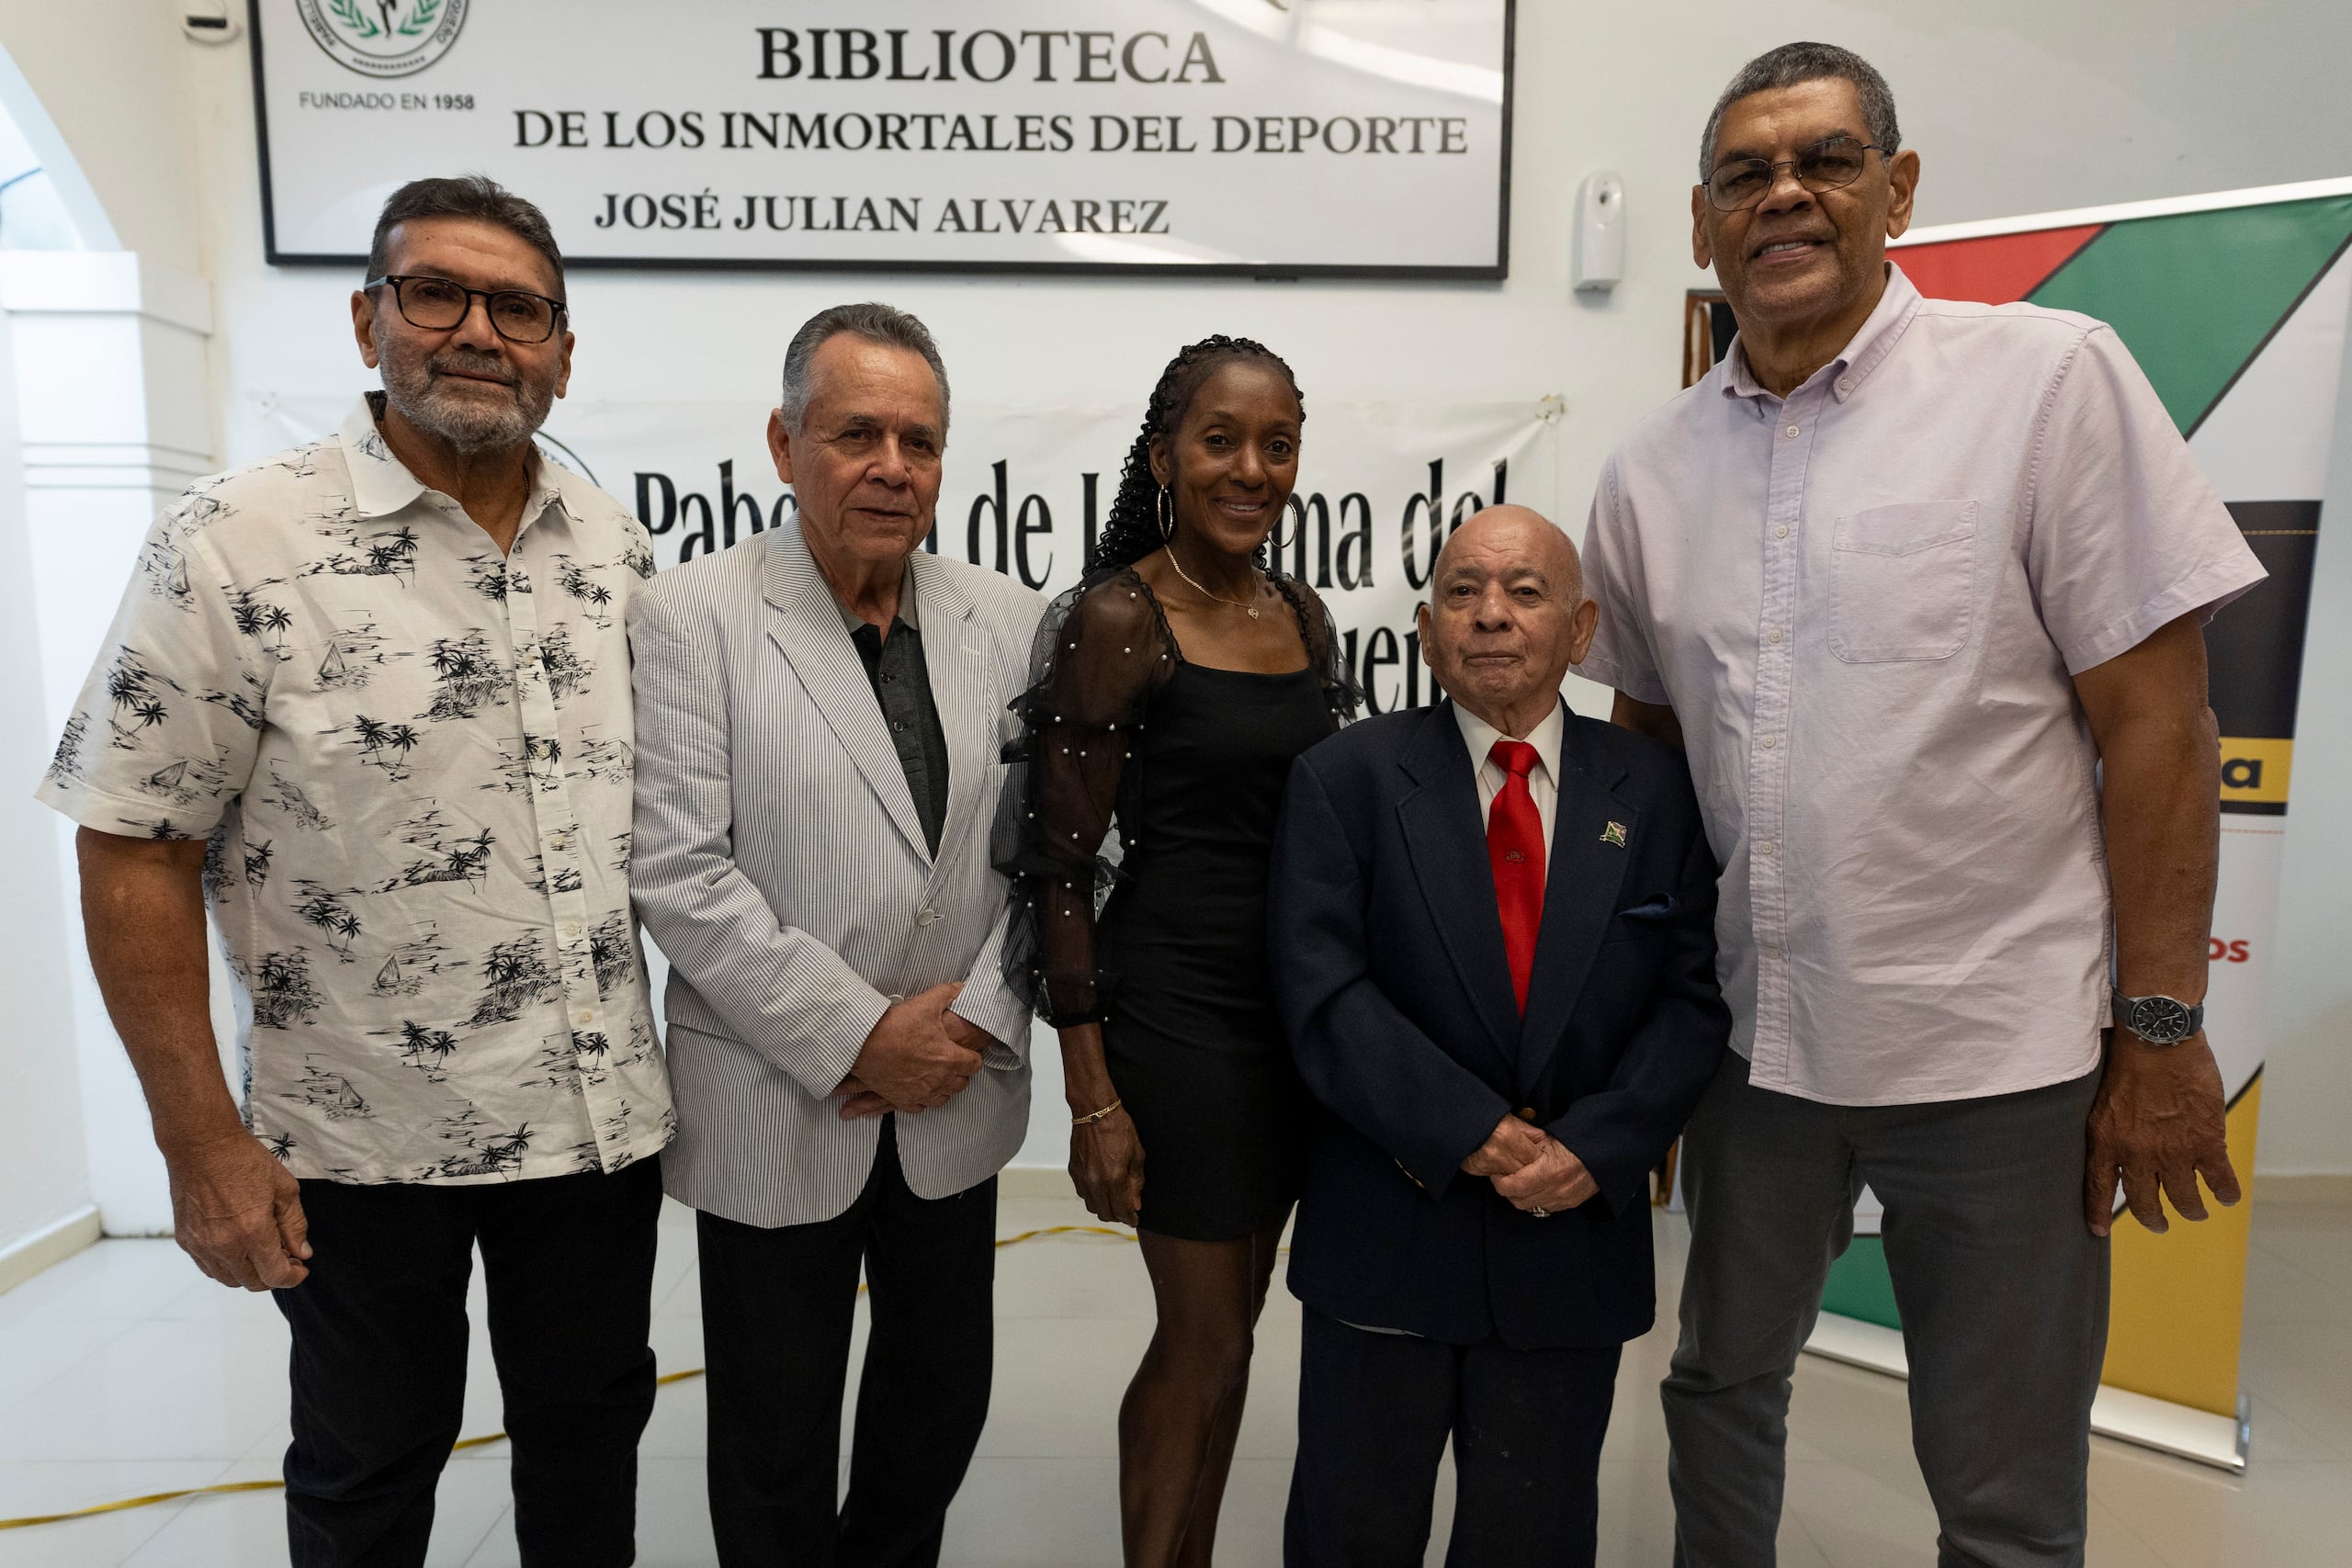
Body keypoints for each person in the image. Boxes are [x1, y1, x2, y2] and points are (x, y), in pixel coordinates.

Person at [1578, 42, 2269, 1568]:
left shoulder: (2048, 382)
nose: (1785, 196)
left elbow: (2162, 727)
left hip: (1998, 1047)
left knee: (2004, 1477)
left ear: (1896, 191)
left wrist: (2158, 1034)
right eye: (1747, 172)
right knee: (1717, 1390)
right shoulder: (1646, 474)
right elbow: (1644, 762)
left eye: (1823, 160)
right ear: (1702, 225)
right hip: (1755, 1051)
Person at [37, 176, 672, 1567]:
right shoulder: (236, 540)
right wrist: (200, 1141)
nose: (478, 332)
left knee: (588, 1438)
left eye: (519, 307)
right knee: (368, 1465)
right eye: (436, 292)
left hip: (594, 1121)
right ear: (367, 316)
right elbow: (134, 841)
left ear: (565, 350)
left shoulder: (614, 552)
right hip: (359, 1136)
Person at [628, 302, 1045, 1568]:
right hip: (772, 1090)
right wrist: (860, 1032)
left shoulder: (1011, 619)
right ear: (783, 439)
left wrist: (973, 1018)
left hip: (954, 1093)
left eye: (919, 439)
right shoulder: (691, 618)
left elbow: (1062, 858)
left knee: (938, 1407)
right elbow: (679, 867)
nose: (891, 465)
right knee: (774, 1433)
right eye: (855, 431)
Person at [1265, 507, 1729, 1567]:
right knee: (1352, 1527)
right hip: (1388, 1228)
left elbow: (1694, 998)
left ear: (1580, 631)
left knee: (1535, 1531)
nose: (1491, 617)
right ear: (1427, 630)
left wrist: (1597, 1149)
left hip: (1569, 1237)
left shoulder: (1656, 792)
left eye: (1525, 594)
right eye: (1464, 593)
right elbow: (1321, 992)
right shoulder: (1345, 780)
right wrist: (1470, 1128)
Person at [996, 334, 1354, 1566]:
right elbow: (1053, 867)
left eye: (1277, 442)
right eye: (1220, 439)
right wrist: (1092, 1095)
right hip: (1178, 1023)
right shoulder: (1118, 615)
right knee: (1198, 1339)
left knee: (1239, 1336)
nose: (1250, 466)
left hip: (1289, 1023)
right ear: (1164, 455)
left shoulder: (1300, 614)